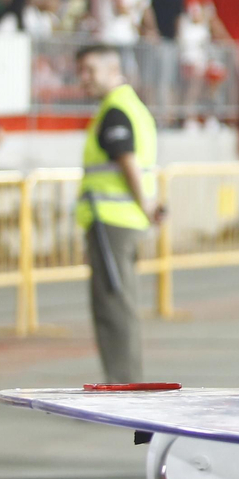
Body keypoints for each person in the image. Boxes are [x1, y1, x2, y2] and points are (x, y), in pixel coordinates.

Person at [75, 45, 163, 383]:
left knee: (113, 308)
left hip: (112, 221)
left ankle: (121, 384)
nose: (84, 78)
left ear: (113, 70)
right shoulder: (130, 106)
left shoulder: (115, 110)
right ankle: (124, 381)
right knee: (119, 304)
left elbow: (127, 161)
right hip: (122, 221)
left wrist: (145, 205)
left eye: (90, 70)